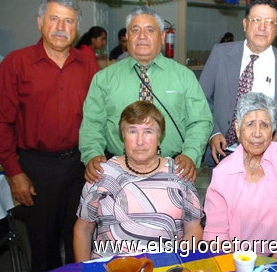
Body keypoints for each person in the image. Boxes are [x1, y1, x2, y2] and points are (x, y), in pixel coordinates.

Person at [0, 0, 98, 272]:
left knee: (81, 239)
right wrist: (14, 173)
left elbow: (99, 117)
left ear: (76, 28)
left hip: (80, 166)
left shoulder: (88, 65)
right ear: (40, 22)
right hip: (36, 168)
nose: (61, 27)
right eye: (54, 19)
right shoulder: (16, 63)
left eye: (69, 21)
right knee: (43, 245)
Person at [80, 5, 212, 185]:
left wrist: (190, 154)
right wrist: (92, 154)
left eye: (150, 30)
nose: (142, 36)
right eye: (135, 30)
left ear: (162, 36)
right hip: (117, 171)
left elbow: (200, 120)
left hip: (174, 170)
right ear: (127, 37)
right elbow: (92, 124)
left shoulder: (184, 77)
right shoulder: (104, 79)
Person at [74, 101, 203, 261]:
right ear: (123, 136)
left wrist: (176, 264)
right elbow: (83, 230)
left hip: (165, 270)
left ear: (159, 136)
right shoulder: (101, 173)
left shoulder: (179, 173)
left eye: (148, 132)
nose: (140, 141)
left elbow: (193, 229)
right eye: (132, 131)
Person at [199, 0, 277, 168]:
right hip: (221, 154)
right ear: (245, 24)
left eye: (269, 22)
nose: (262, 27)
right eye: (256, 20)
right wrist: (213, 133)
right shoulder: (220, 54)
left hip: (266, 158)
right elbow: (201, 101)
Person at [203, 92, 277, 260]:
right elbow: (215, 235)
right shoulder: (222, 173)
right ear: (237, 128)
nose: (257, 133)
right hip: (237, 262)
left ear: (272, 129)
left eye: (264, 125)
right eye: (250, 124)